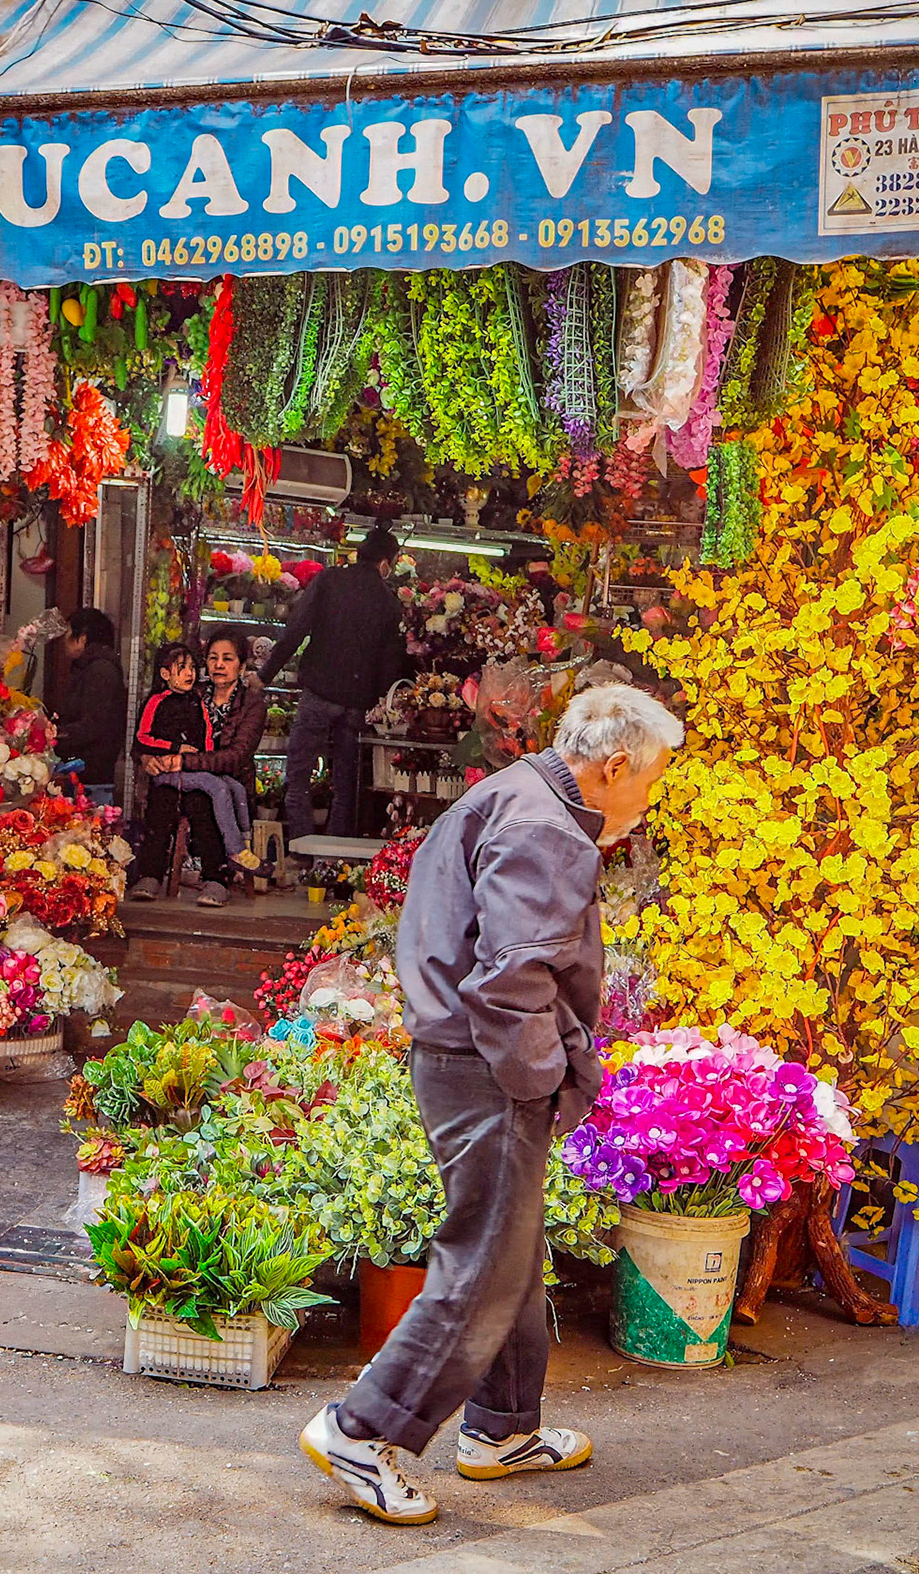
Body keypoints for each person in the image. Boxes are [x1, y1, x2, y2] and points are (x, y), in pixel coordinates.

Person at [300, 684, 684, 1526]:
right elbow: (511, 981)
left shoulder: (512, 793)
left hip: (462, 1058)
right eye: (651, 780)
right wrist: (542, 1077)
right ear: (615, 765)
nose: (648, 800)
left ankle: (502, 1428)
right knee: (484, 1260)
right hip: (489, 1066)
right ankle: (362, 1431)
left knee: (507, 1249)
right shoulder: (547, 826)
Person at [258, 526, 405, 844]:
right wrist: (383, 704)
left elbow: (295, 630)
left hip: (318, 692)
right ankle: (336, 853)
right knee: (345, 783)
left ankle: (301, 844)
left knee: (298, 775)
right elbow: (389, 662)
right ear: (384, 563)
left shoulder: (328, 580)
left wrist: (264, 675)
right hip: (357, 703)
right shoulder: (389, 602)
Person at [128, 626, 266, 909]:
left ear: (242, 665)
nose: (218, 665)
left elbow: (236, 757)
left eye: (227, 659)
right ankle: (150, 875)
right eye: (213, 658)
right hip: (179, 775)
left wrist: (183, 760)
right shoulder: (191, 691)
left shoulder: (251, 705)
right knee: (162, 798)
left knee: (203, 802)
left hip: (227, 781)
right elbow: (143, 740)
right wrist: (147, 759)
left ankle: (217, 878)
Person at [51, 608, 126, 807]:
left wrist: (55, 734)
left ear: (82, 638)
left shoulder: (100, 671)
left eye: (68, 632)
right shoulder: (91, 668)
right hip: (88, 772)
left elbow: (93, 725)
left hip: (92, 775)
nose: (64, 640)